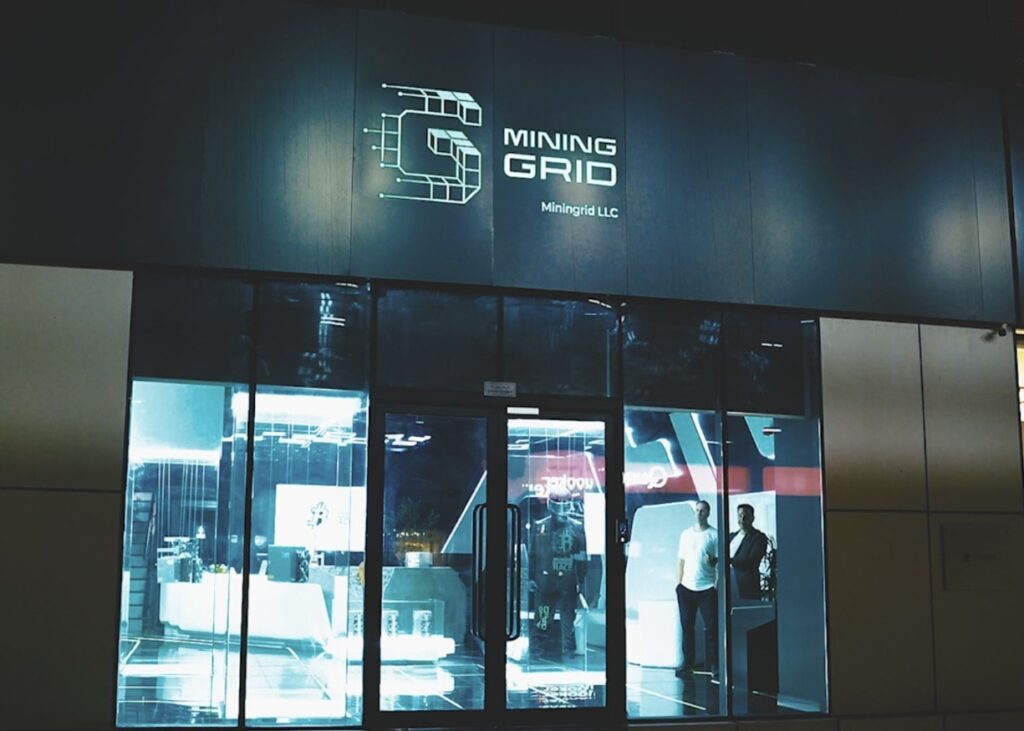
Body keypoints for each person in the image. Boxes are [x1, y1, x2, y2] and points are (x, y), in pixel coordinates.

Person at [527, 484, 588, 660]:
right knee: (543, 619)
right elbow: (533, 556)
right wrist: (531, 578)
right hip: (546, 581)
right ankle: (536, 652)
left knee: (568, 622)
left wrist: (581, 580)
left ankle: (568, 652)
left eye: (564, 503)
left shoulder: (577, 527)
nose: (561, 507)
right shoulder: (540, 527)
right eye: (558, 503)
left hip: (568, 581)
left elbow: (582, 557)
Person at [675, 499, 718, 677]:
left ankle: (714, 665)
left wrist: (715, 585)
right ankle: (688, 664)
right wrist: (679, 584)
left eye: (702, 511)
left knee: (712, 628)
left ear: (708, 513)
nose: (699, 513)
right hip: (686, 588)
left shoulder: (714, 535)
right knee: (687, 628)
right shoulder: (685, 534)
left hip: (707, 588)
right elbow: (681, 560)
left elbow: (719, 563)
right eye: (697, 510)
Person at [729, 503, 769, 602]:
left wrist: (728, 560)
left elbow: (752, 561)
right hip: (729, 587)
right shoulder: (731, 536)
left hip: (747, 589)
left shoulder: (759, 537)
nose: (742, 519)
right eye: (740, 516)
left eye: (746, 516)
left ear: (752, 518)